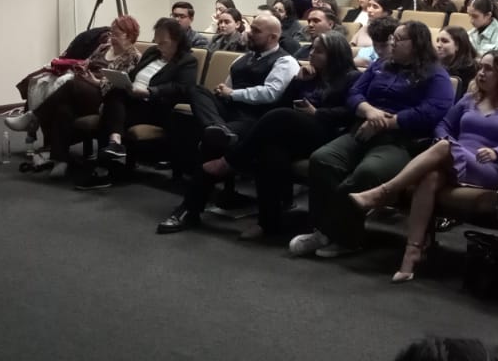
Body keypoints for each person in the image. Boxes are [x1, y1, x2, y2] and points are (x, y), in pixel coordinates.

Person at [347, 50, 498, 281]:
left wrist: (497, 152)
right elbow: (443, 125)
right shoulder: (469, 100)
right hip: (454, 158)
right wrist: (448, 141)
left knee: (444, 147)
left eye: (489, 69)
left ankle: (383, 193)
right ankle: (412, 254)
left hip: (488, 167)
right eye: (480, 67)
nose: (481, 73)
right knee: (430, 176)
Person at [157, 31, 361, 236]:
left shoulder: (351, 77)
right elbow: (284, 102)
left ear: (335, 55)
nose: (311, 53)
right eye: (313, 48)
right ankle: (266, 223)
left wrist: (317, 113)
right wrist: (299, 81)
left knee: (277, 116)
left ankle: (230, 161)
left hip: (326, 133)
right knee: (270, 152)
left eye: (319, 51)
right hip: (293, 133)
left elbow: (351, 112)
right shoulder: (309, 75)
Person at [290, 21, 455, 260]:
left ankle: (341, 237)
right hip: (362, 130)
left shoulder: (436, 74)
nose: (392, 43)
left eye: (399, 39)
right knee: (323, 159)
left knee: (368, 172)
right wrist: (369, 112)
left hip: (401, 141)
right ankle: (325, 231)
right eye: (393, 38)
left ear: (417, 44)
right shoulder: (381, 65)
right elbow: (354, 93)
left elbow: (432, 111)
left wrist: (386, 122)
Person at [182, 14, 299, 175]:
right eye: (251, 29)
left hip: (254, 118)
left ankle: (198, 187)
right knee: (196, 90)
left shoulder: (285, 61)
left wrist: (232, 93)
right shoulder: (243, 58)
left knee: (208, 137)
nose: (249, 33)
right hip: (230, 110)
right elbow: (229, 86)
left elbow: (270, 93)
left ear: (272, 37)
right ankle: (219, 128)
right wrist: (222, 90)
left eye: (256, 31)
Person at [87, 17, 197, 183]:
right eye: (156, 42)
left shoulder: (187, 61)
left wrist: (149, 92)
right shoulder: (153, 52)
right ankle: (113, 146)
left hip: (155, 106)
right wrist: (125, 83)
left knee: (111, 112)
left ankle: (105, 165)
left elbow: (181, 88)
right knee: (114, 94)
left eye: (163, 43)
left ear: (177, 41)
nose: (159, 46)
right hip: (133, 98)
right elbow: (134, 74)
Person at [37, 15, 141, 179]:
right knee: (64, 109)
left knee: (70, 86)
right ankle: (60, 160)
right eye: (111, 33)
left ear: (128, 36)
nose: (112, 38)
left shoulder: (133, 56)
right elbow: (86, 62)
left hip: (104, 96)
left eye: (116, 34)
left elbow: (118, 84)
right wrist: (82, 70)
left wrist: (95, 81)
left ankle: (34, 117)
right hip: (84, 90)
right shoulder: (104, 48)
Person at [436, 26, 480, 92]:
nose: (438, 45)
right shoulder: (436, 65)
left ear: (458, 45)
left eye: (444, 41)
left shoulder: (469, 70)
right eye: (437, 41)